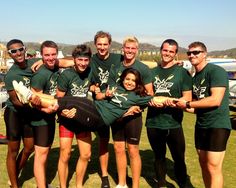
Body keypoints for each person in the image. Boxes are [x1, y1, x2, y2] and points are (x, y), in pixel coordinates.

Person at [13, 68, 171, 130]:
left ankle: (30, 98)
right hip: (95, 107)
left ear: (137, 83)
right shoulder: (118, 87)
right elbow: (100, 95)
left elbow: (157, 99)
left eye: (132, 80)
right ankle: (30, 93)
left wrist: (174, 101)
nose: (129, 82)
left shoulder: (137, 96)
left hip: (99, 119)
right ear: (123, 79)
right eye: (127, 79)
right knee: (68, 99)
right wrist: (105, 94)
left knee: (66, 106)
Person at [176, 41, 231, 188]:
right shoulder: (194, 77)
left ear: (204, 54)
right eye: (189, 53)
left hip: (217, 125)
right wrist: (176, 104)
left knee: (213, 166)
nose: (192, 55)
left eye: (196, 52)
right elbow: (197, 107)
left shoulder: (215, 71)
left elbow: (215, 100)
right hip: (201, 125)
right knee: (203, 164)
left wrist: (187, 104)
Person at [103, 36, 153, 188]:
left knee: (132, 150)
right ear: (123, 49)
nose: (130, 51)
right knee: (118, 149)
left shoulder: (143, 68)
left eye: (133, 48)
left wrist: (136, 107)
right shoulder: (115, 68)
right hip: (117, 116)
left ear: (137, 50)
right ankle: (122, 183)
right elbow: (110, 91)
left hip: (133, 116)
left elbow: (150, 94)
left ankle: (135, 185)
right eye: (127, 48)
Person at [145, 39, 192, 188]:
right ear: (161, 50)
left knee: (178, 157)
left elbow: (188, 97)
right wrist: (150, 100)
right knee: (159, 157)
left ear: (176, 54)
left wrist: (174, 101)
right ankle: (161, 183)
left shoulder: (182, 73)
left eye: (171, 51)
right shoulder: (151, 72)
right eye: (165, 50)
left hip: (174, 122)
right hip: (153, 122)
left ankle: (183, 184)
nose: (167, 54)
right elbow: (146, 94)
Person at [57, 44, 94, 188]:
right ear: (74, 60)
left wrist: (95, 88)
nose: (83, 63)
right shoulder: (66, 75)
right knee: (65, 155)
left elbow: (91, 86)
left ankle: (79, 185)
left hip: (83, 120)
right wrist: (63, 111)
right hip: (66, 120)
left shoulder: (90, 71)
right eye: (80, 60)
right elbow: (58, 99)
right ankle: (63, 186)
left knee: (86, 155)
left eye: (86, 60)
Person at [4, 39, 36, 188]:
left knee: (29, 147)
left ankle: (14, 173)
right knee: (13, 150)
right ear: (10, 54)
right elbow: (15, 101)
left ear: (25, 49)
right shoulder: (10, 75)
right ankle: (14, 185)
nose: (18, 53)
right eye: (13, 51)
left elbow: (53, 61)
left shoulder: (33, 63)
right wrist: (33, 102)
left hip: (28, 112)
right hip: (15, 113)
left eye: (20, 49)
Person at [29, 40, 60, 188]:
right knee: (40, 155)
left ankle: (42, 184)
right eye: (47, 55)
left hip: (49, 118)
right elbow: (34, 101)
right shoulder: (40, 75)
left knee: (45, 154)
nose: (50, 58)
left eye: (53, 54)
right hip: (40, 119)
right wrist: (46, 110)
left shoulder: (54, 69)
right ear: (41, 55)